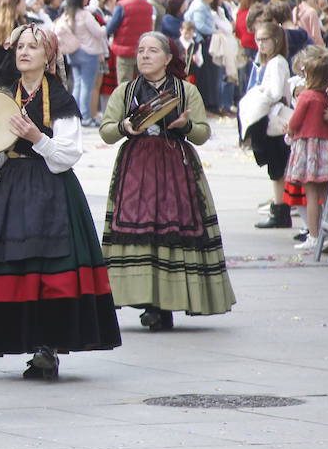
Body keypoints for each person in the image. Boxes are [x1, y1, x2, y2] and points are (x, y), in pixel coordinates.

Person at [0, 25, 121, 379]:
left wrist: (37, 138)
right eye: (20, 46)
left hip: (51, 190)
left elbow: (67, 155)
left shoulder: (60, 99)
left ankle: (48, 345)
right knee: (16, 266)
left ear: (48, 56)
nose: (24, 52)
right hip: (11, 187)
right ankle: (28, 339)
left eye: (33, 47)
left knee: (48, 266)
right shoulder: (6, 98)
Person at [99, 32, 234, 331]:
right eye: (141, 50)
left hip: (175, 167)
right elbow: (106, 131)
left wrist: (186, 125)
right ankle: (149, 302)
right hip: (136, 169)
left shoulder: (186, 91)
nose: (144, 56)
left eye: (152, 51)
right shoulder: (126, 91)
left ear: (168, 58)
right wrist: (124, 125)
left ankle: (164, 304)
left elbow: (202, 133)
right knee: (139, 230)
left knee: (172, 230)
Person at [238, 21, 293, 231]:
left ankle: (280, 212)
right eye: (258, 40)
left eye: (265, 40)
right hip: (272, 119)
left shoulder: (277, 62)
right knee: (276, 169)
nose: (260, 44)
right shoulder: (271, 61)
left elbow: (276, 92)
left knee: (278, 169)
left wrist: (259, 93)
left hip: (275, 119)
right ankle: (279, 210)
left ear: (276, 40)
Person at [285, 50, 328, 252]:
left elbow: (295, 121)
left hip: (307, 147)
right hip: (323, 147)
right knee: (326, 192)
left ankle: (314, 235)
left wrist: (288, 129)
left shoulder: (306, 96)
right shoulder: (324, 97)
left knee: (311, 193)